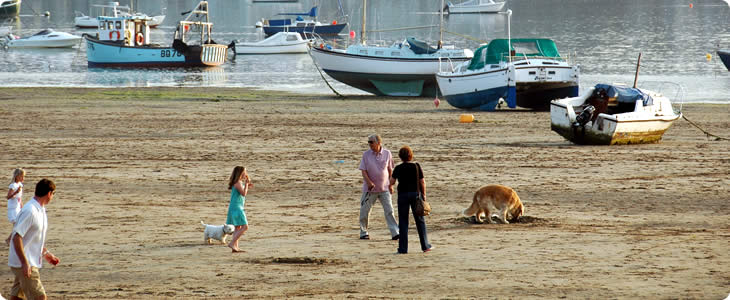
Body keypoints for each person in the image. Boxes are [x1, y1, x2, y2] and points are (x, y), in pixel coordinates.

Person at [8, 178, 60, 300]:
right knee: (40, 297)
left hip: (25, 262)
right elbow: (16, 237)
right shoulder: (30, 211)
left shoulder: (40, 210)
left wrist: (46, 254)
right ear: (49, 193)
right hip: (25, 263)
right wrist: (25, 263)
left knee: (16, 297)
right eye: (53, 194)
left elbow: (33, 237)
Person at [390, 146, 433, 254]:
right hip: (415, 195)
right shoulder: (416, 166)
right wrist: (424, 195)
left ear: (400, 157)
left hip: (403, 196)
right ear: (411, 155)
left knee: (403, 222)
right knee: (420, 221)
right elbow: (422, 182)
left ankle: (403, 249)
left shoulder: (398, 168)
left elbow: (392, 181)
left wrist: (391, 185)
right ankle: (425, 246)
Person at [358, 134, 399, 240]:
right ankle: (364, 232)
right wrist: (369, 182)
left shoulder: (387, 153)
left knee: (389, 210)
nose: (369, 144)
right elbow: (363, 171)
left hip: (384, 188)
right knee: (365, 211)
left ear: (378, 143)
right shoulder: (366, 155)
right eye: (368, 142)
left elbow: (390, 170)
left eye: (371, 142)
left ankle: (395, 232)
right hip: (370, 189)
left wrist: (391, 185)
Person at [226, 166, 253, 253]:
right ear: (240, 173)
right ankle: (232, 243)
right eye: (244, 172)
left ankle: (235, 247)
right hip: (237, 207)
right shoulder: (237, 182)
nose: (246, 174)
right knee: (245, 226)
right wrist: (246, 185)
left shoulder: (238, 182)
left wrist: (246, 185)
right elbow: (244, 193)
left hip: (236, 206)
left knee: (238, 227)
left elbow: (242, 193)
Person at [6, 168, 25, 245]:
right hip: (13, 208)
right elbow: (8, 196)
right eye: (21, 176)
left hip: (18, 207)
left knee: (18, 225)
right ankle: (10, 240)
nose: (23, 178)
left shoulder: (20, 185)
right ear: (17, 176)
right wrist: (15, 192)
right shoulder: (13, 185)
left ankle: (9, 239)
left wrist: (22, 207)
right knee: (17, 225)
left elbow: (19, 198)